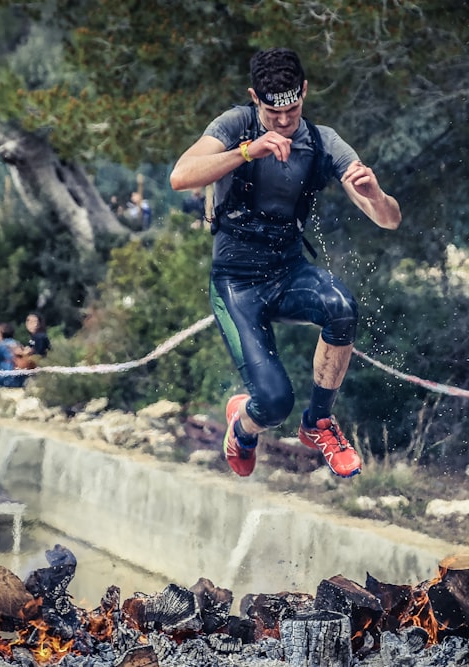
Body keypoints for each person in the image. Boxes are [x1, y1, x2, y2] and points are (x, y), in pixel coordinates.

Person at [168, 47, 401, 479]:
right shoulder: (235, 125)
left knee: (342, 307)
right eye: (273, 112)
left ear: (305, 92)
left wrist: (374, 194)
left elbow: (389, 220)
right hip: (236, 282)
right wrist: (247, 152)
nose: (283, 120)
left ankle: (318, 424)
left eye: (292, 109)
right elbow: (181, 176)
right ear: (255, 97)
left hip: (288, 272)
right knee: (273, 403)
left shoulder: (322, 141)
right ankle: (242, 426)